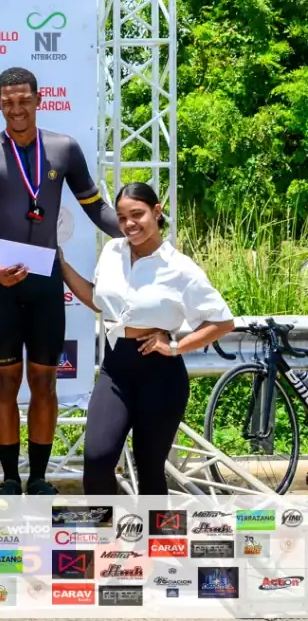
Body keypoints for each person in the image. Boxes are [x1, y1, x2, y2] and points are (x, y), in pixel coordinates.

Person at [0, 66, 121, 496]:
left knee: (45, 382)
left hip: (46, 283)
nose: (17, 109)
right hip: (1, 283)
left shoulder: (63, 148)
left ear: (38, 100)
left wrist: (135, 230)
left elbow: (95, 207)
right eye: (9, 102)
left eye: (24, 101)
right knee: (4, 383)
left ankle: (38, 478)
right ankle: (10, 479)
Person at [59, 183, 234, 494]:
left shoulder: (180, 268)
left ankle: (156, 528)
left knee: (150, 468)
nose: (129, 224)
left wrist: (176, 346)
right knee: (97, 460)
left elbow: (222, 321)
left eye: (137, 214)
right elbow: (99, 302)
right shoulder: (112, 252)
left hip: (160, 377)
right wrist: (62, 266)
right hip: (115, 372)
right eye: (122, 217)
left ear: (157, 211)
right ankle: (105, 527)